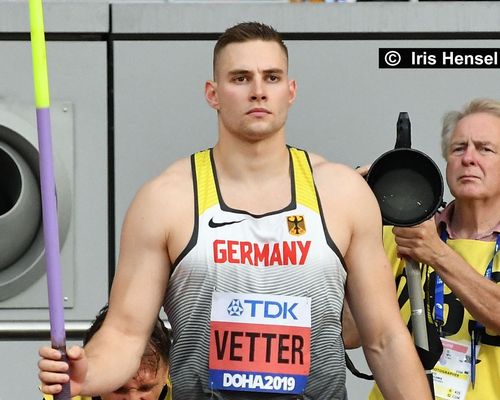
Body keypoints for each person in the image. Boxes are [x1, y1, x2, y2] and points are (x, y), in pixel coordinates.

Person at [38, 22, 431, 400]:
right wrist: (87, 373)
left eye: (272, 78)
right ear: (213, 93)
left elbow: (384, 338)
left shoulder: (342, 192)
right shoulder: (166, 199)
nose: (258, 91)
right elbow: (125, 333)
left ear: (290, 91)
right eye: (240, 78)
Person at [353, 98, 500, 400]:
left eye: (484, 149)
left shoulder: (424, 242)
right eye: (459, 148)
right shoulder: (398, 235)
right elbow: (350, 332)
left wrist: (436, 253)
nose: (468, 158)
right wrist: (346, 218)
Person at [42, 305, 172, 400]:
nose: (133, 398)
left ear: (167, 371)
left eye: (145, 388)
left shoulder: (186, 388)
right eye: (118, 389)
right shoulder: (67, 392)